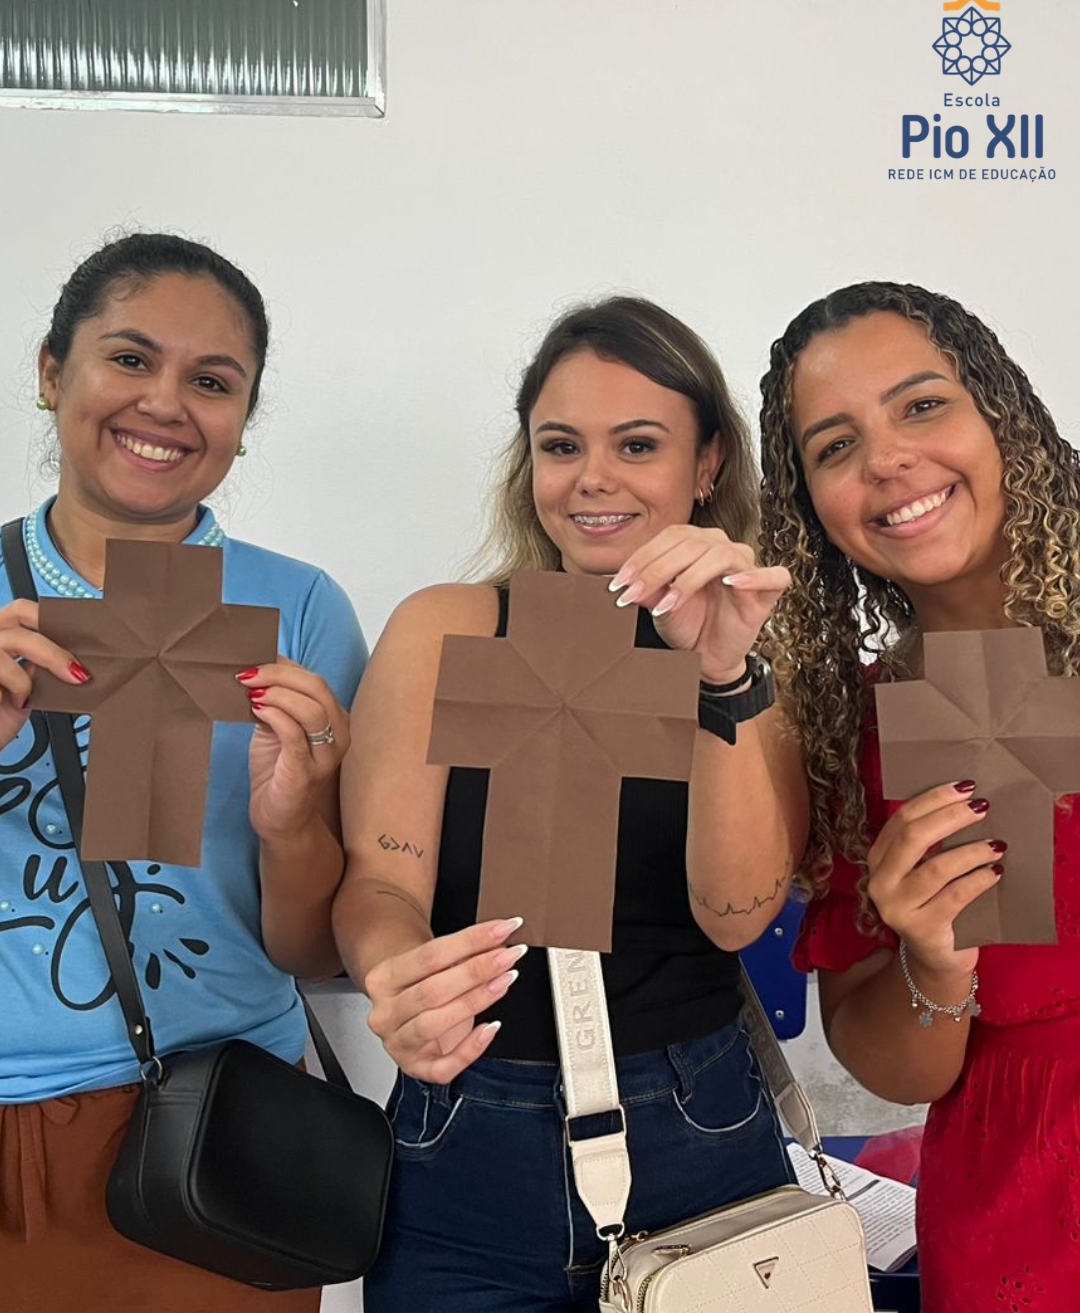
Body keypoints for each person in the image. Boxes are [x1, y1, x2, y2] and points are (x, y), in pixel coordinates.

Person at [334, 296, 808, 1311]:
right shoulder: (449, 629)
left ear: (708, 462)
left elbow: (736, 914)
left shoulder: (759, 653)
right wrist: (401, 979)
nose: (592, 477)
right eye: (561, 446)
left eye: (637, 444)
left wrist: (721, 677)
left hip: (697, 1122)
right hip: (468, 1128)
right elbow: (378, 883)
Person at [0, 233, 366, 1312]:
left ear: (243, 423)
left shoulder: (299, 610)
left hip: (214, 1132)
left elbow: (316, 951)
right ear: (51, 371)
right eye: (129, 359)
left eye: (212, 382)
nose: (164, 404)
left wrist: (293, 824)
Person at [758, 281, 1080, 1311]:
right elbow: (898, 1069)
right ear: (812, 509)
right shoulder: (852, 732)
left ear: (1003, 414)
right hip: (1015, 1216)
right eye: (835, 446)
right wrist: (931, 962)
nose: (888, 459)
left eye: (923, 405)